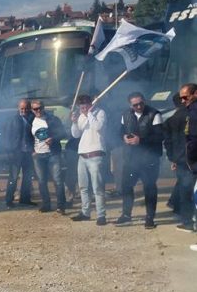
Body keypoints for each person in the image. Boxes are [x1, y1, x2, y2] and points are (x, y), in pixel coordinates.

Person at [116, 92, 163, 229]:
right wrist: (124, 137)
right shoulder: (126, 114)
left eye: (141, 103)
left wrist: (140, 140)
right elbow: (120, 131)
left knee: (149, 188)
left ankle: (150, 218)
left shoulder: (154, 114)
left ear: (144, 101)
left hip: (149, 159)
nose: (138, 106)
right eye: (135, 104)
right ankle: (126, 214)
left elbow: (160, 136)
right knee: (126, 186)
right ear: (130, 105)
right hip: (131, 158)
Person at [70, 95, 108, 225]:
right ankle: (85, 213)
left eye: (85, 105)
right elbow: (75, 134)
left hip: (96, 155)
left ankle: (101, 215)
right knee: (83, 187)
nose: (83, 108)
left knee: (97, 187)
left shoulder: (100, 113)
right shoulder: (81, 115)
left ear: (91, 104)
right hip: (82, 155)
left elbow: (98, 127)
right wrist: (74, 122)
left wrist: (90, 113)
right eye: (81, 106)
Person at [30, 99, 67, 214]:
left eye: (40, 108)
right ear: (32, 110)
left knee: (58, 181)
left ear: (44, 107)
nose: (38, 111)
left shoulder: (53, 119)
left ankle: (61, 206)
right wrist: (32, 150)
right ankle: (46, 204)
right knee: (41, 181)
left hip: (53, 153)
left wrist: (53, 138)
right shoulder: (31, 121)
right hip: (38, 155)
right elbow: (27, 136)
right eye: (35, 109)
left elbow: (63, 133)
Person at [0, 99, 37, 208]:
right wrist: (9, 151)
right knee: (13, 177)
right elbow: (7, 137)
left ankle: (25, 199)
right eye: (22, 108)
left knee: (28, 177)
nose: (24, 110)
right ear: (18, 108)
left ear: (29, 108)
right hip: (16, 153)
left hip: (28, 152)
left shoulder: (33, 119)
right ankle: (9, 200)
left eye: (26, 108)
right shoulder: (12, 120)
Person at [175, 83, 197, 232]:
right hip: (191, 160)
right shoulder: (190, 110)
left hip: (194, 161)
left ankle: (189, 222)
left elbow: (193, 139)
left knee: (191, 194)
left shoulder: (194, 111)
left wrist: (189, 159)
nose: (182, 100)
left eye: (185, 97)